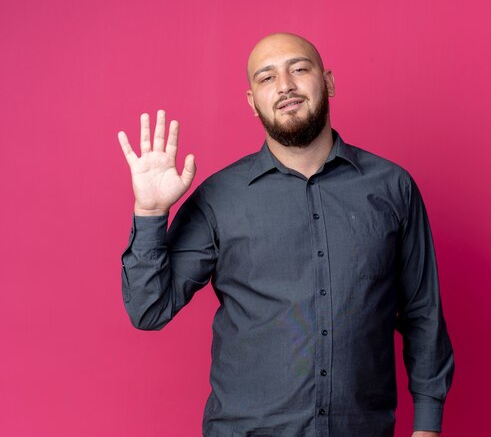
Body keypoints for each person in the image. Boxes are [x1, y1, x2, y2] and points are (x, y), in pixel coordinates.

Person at [118, 32, 454, 437]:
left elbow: (422, 313)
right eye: (266, 78)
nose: (285, 86)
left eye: (299, 69)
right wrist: (151, 213)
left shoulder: (392, 187)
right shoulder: (219, 197)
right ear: (252, 103)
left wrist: (427, 426)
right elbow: (148, 309)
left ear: (327, 81)